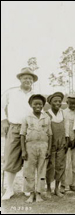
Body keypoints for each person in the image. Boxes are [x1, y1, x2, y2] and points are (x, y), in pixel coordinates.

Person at [1, 67, 38, 200]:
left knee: (29, 159)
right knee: (11, 158)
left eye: (30, 78)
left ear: (32, 81)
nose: (27, 80)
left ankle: (27, 189)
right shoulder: (11, 92)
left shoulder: (35, 94)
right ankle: (9, 190)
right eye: (25, 78)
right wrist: (4, 120)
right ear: (20, 79)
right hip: (15, 128)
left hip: (31, 129)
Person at [20, 94, 52, 203]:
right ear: (31, 105)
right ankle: (31, 193)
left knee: (42, 170)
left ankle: (39, 193)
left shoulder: (46, 117)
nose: (38, 106)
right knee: (29, 170)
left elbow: (50, 134)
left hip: (43, 146)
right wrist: (24, 150)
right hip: (30, 146)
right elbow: (22, 134)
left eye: (40, 104)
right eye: (35, 104)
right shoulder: (26, 118)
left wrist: (48, 149)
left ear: (43, 105)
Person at [46, 92, 67, 198]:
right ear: (50, 103)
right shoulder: (47, 114)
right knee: (50, 166)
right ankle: (48, 188)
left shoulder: (63, 113)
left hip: (61, 144)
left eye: (59, 101)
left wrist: (66, 140)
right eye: (55, 101)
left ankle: (57, 188)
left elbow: (66, 127)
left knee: (60, 166)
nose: (58, 103)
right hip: (51, 144)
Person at [62, 93, 75, 192]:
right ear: (67, 102)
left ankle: (74, 184)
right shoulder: (64, 112)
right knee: (65, 162)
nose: (73, 105)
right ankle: (64, 184)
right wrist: (67, 139)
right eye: (71, 103)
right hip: (66, 140)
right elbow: (64, 127)